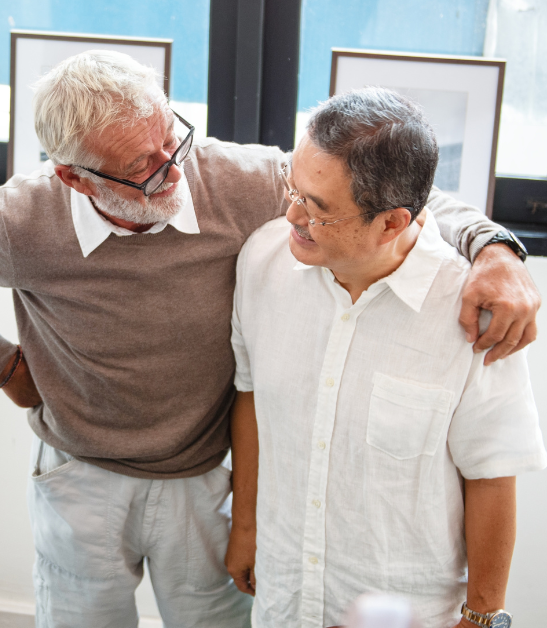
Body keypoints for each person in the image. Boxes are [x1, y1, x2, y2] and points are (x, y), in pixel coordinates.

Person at [0, 51, 540, 628]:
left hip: (202, 477)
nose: (174, 170)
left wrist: (494, 247)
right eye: (141, 167)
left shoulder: (238, 181)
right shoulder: (20, 220)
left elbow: (394, 194)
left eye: (171, 137)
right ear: (77, 179)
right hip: (80, 478)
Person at [225, 87, 547, 628]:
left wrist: (484, 614)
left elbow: (491, 476)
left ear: (393, 222)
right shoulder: (261, 262)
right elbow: (252, 399)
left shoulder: (473, 315)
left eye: (318, 209)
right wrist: (245, 527)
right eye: (294, 190)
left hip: (406, 609)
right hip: (283, 593)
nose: (291, 214)